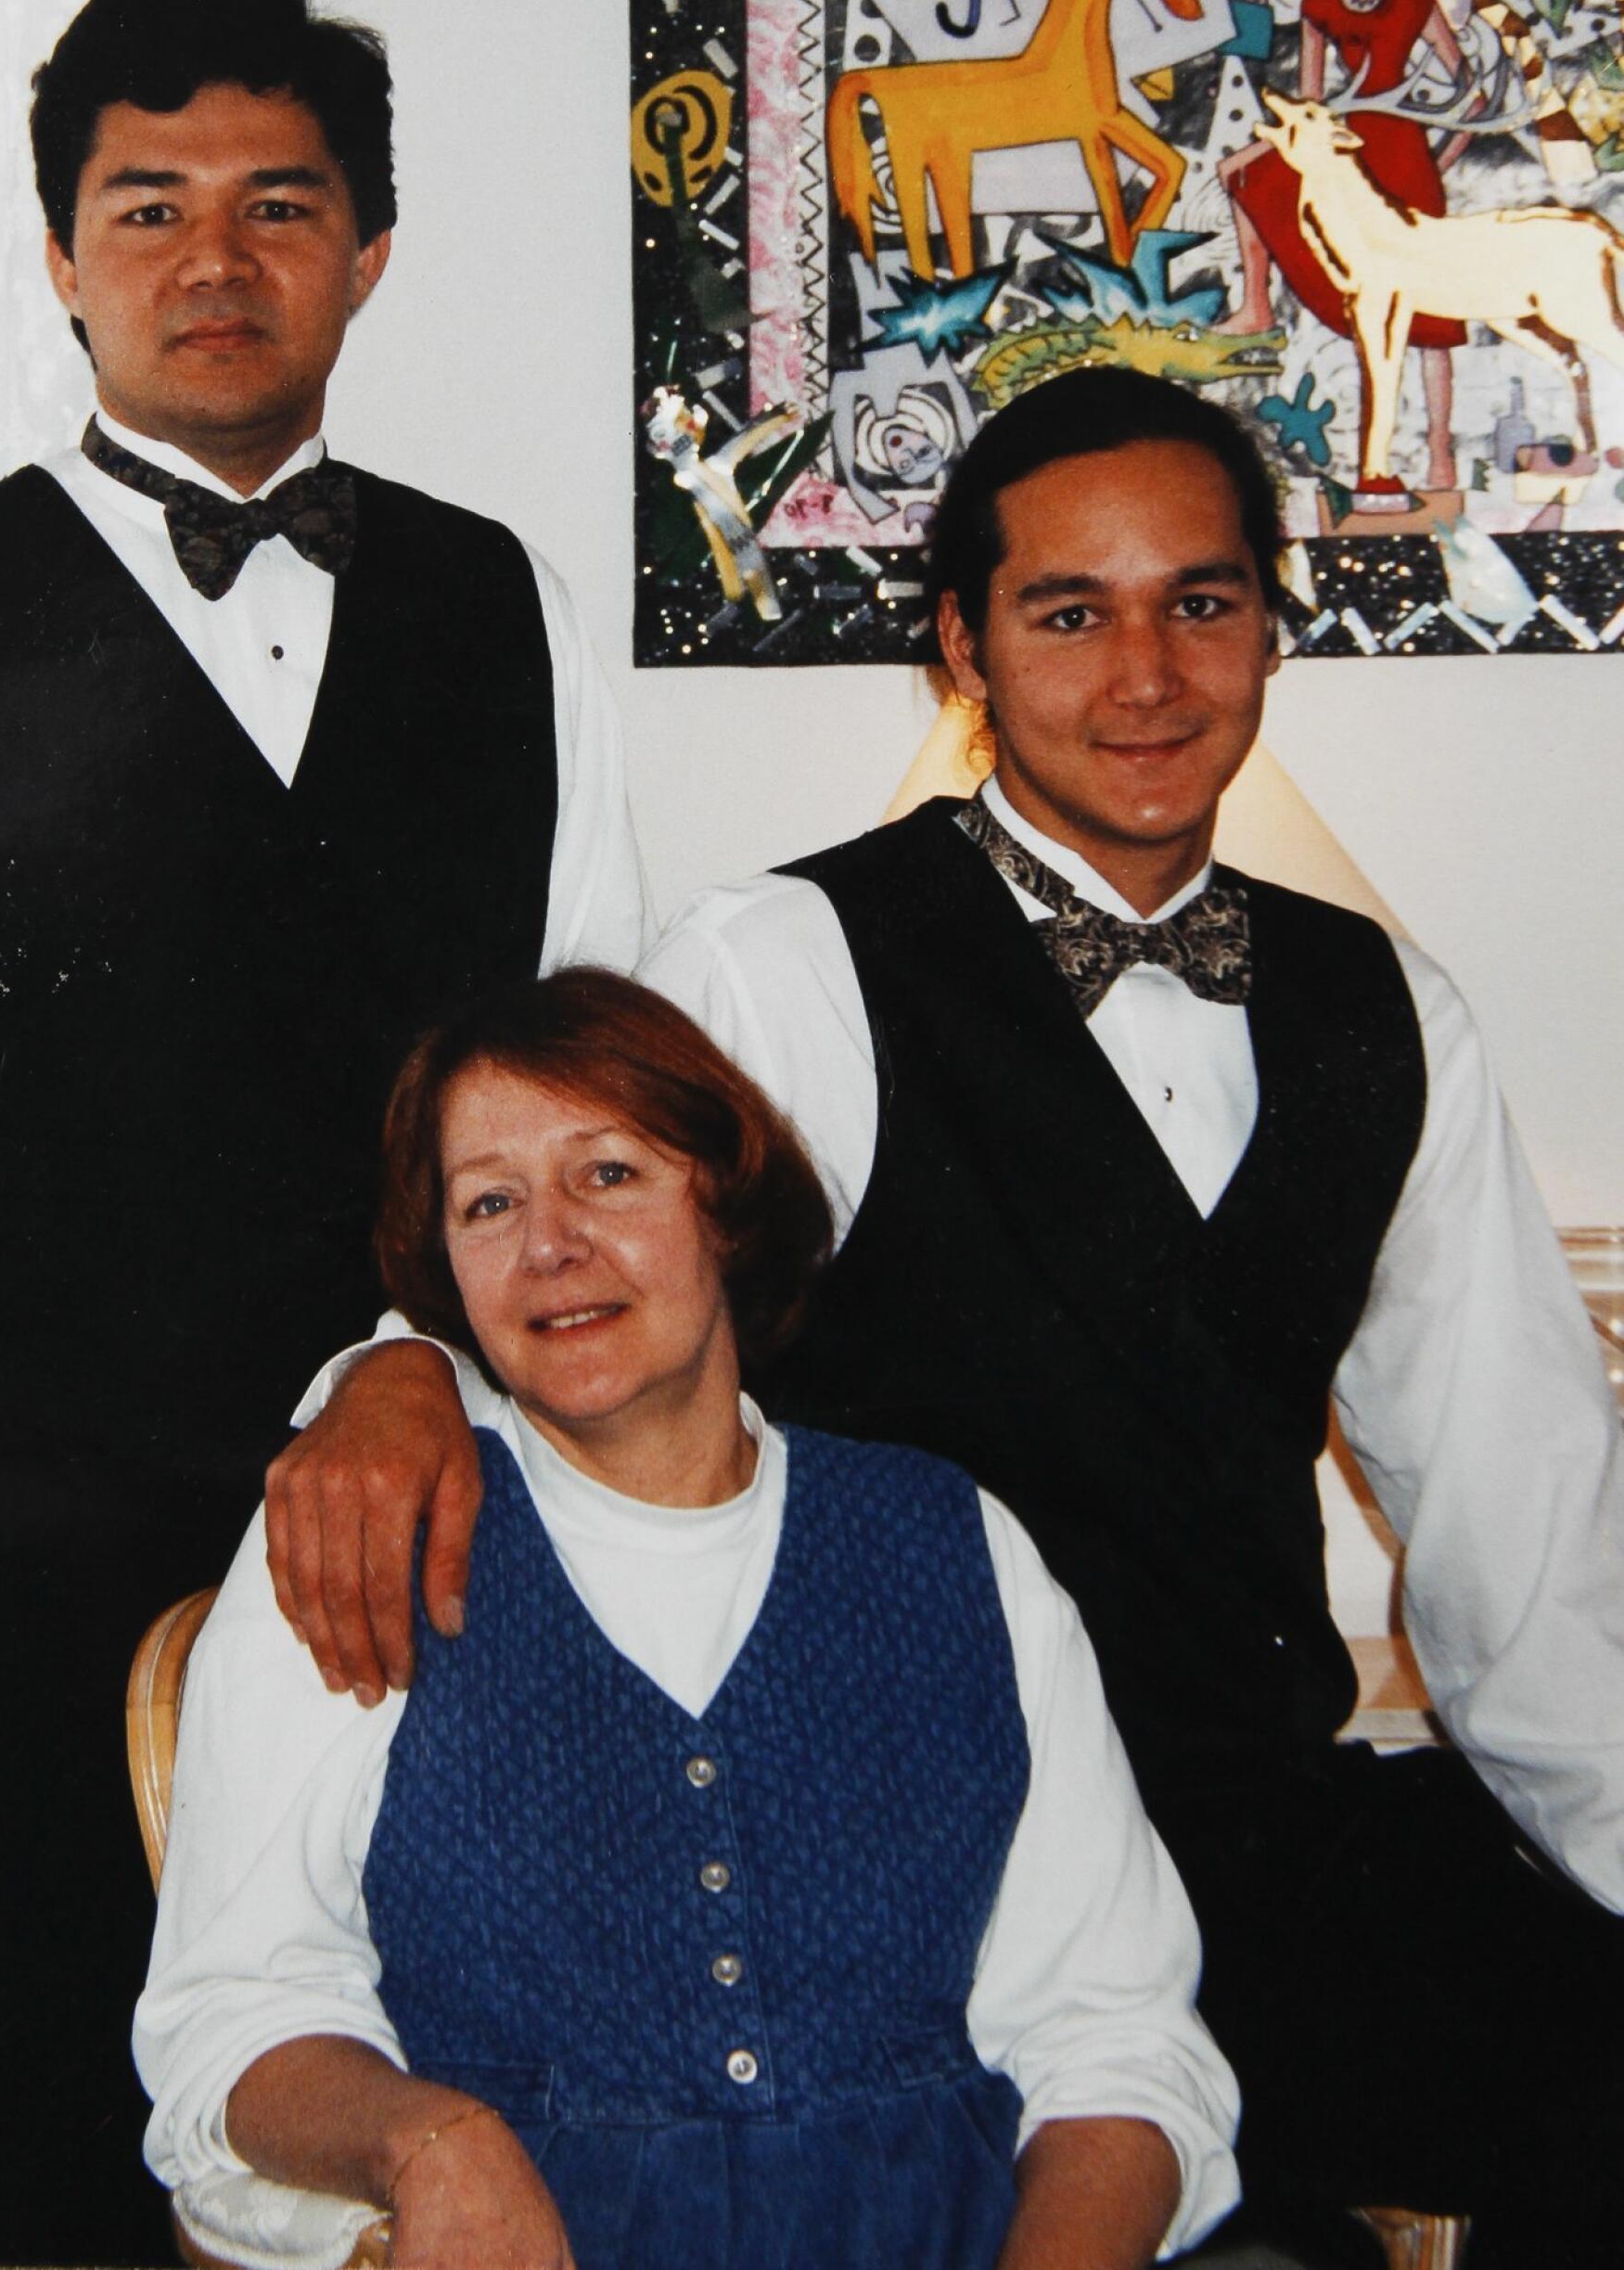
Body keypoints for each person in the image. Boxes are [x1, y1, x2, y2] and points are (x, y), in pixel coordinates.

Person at [295, 372, 1624, 2267]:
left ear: (1275, 618)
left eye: (1203, 600)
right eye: (1069, 614)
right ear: (963, 646)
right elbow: (551, 1268)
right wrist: (389, 1378)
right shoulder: (787, 961)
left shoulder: (1384, 1006)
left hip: (1252, 1846)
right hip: (889, 1883)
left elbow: (1538, 1555)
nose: (1147, 675)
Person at [0, 0, 646, 2266]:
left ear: (367, 246)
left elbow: (600, 1105)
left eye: (278, 203)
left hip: (444, 1547)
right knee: (14, 2182)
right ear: (59, 252)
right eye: (146, 206)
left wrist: (425, 1367)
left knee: (428, 2170)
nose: (213, 259)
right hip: (0, 1595)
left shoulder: (504, 605)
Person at [135, 968, 1239, 2270]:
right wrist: (427, 2139)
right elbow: (232, 2023)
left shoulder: (955, 1545)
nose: (551, 1244)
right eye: (490, 1203)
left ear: (724, 1203)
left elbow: (1116, 2042)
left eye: (609, 1175)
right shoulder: (361, 1535)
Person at [1217, 0, 1477, 494]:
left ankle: (1439, 456)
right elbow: (1309, 101)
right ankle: (1256, 304)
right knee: (1240, 174)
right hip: (1342, 152)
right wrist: (1262, 148)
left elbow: (1469, 93)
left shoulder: (1416, 2)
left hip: (1407, 157)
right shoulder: (1315, 4)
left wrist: (1444, 155)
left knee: (1429, 317)